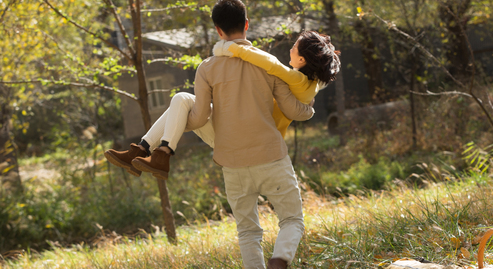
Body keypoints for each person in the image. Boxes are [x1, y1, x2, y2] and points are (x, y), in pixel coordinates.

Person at [105, 0, 340, 269]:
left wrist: (179, 121)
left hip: (231, 158)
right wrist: (310, 105)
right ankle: (278, 266)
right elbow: (295, 111)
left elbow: (200, 117)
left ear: (217, 30)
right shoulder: (267, 65)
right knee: (292, 219)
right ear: (247, 24)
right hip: (270, 155)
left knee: (247, 229)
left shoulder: (206, 68)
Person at [104, 30, 340, 179]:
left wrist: (231, 49)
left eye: (294, 47)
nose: (290, 48)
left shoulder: (296, 79)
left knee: (181, 101)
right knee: (181, 99)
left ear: (302, 59)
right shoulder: (308, 84)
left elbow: (269, 63)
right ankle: (145, 151)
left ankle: (156, 153)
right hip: (242, 132)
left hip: (244, 138)